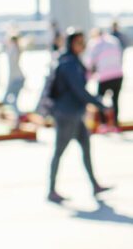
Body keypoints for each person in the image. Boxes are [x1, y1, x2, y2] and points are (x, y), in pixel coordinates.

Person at [46, 31, 112, 203]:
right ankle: (51, 190)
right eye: (79, 42)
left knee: (86, 148)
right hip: (67, 115)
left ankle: (95, 185)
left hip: (75, 114)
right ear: (71, 44)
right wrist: (100, 104)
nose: (82, 46)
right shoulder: (68, 63)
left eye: (83, 42)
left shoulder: (73, 62)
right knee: (59, 152)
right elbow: (79, 91)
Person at [84, 28, 125, 128]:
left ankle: (103, 124)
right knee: (115, 100)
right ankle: (115, 123)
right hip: (118, 74)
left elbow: (89, 62)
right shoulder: (114, 40)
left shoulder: (95, 43)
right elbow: (120, 55)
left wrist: (88, 76)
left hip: (104, 76)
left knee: (99, 100)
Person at [2, 34, 27, 123]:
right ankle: (18, 116)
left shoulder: (13, 51)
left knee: (7, 100)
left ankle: (19, 116)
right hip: (19, 78)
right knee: (12, 100)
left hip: (16, 79)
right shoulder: (16, 50)